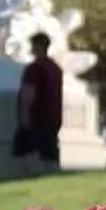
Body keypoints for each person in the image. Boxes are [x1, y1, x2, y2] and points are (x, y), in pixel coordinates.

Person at [14, 32, 63, 165]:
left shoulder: (34, 69)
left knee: (26, 157)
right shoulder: (55, 69)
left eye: (33, 45)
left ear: (38, 46)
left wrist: (25, 118)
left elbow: (28, 95)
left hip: (35, 119)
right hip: (52, 119)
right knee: (49, 157)